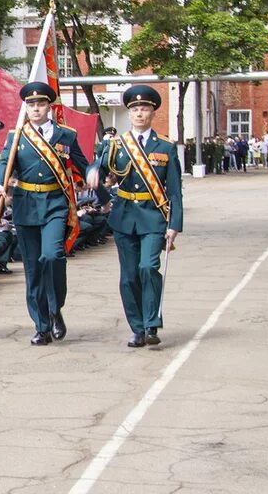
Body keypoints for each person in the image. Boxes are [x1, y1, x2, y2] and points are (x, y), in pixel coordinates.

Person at [86, 85, 183, 348]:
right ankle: (137, 328)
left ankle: (152, 323)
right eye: (135, 109)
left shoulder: (165, 147)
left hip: (153, 216)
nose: (140, 113)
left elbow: (174, 190)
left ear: (152, 113)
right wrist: (93, 173)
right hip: (125, 216)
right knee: (129, 275)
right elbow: (98, 165)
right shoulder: (117, 145)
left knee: (148, 267)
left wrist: (175, 225)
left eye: (145, 109)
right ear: (129, 113)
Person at [0, 82, 89, 345]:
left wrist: (94, 176)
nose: (36, 108)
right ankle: (41, 324)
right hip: (26, 205)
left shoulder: (65, 135)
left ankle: (55, 306)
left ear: (49, 106)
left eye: (41, 104)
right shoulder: (17, 137)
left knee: (52, 255)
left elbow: (82, 163)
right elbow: (5, 164)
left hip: (55, 203)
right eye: (31, 104)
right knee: (33, 268)